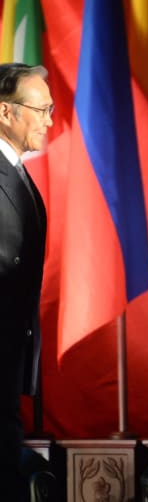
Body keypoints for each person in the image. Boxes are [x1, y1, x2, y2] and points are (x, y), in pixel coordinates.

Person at [0, 63, 51, 500]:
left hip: (10, 352)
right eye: (41, 109)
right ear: (5, 112)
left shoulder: (17, 171)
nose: (50, 121)